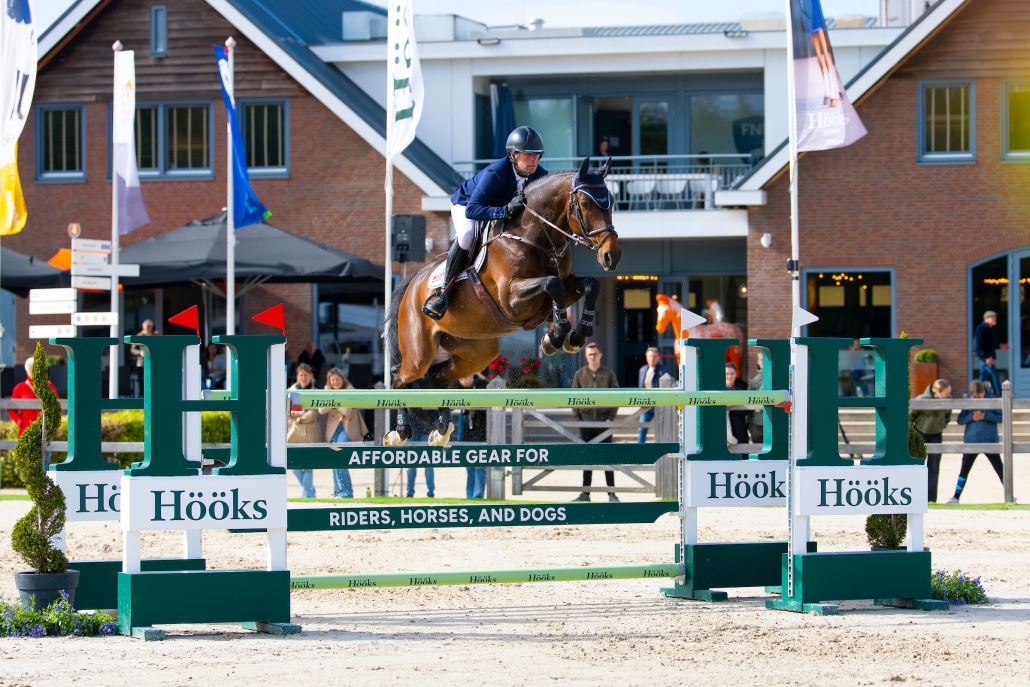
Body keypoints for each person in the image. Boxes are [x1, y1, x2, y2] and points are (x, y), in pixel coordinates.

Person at [423, 126, 548, 320]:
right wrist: (505, 211)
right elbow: (473, 209)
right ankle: (443, 293)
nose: (534, 160)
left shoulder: (540, 174)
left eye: (537, 155)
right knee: (467, 236)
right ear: (513, 155)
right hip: (467, 204)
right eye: (528, 155)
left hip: (499, 207)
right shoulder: (496, 172)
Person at [571, 343, 619, 502]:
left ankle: (611, 494)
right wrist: (577, 418)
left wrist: (611, 417)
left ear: (600, 355)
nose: (592, 357)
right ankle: (585, 493)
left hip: (604, 421)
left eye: (595, 354)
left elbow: (617, 396)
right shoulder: (579, 374)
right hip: (585, 421)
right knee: (587, 458)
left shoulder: (609, 374)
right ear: (586, 356)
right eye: (590, 354)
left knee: (607, 458)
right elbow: (573, 397)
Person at [949, 380, 1006, 503]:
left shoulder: (993, 402)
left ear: (984, 392)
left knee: (1000, 469)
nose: (977, 399)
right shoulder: (967, 404)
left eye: (979, 397)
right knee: (964, 469)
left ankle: (1009, 494)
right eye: (974, 397)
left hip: (989, 441)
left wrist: (986, 416)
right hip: (971, 442)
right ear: (970, 395)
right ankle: (956, 496)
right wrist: (971, 417)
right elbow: (960, 420)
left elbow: (1002, 418)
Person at [319, 368, 368, 499]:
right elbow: (321, 410)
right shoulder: (327, 390)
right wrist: (333, 398)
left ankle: (346, 492)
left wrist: (332, 400)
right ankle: (337, 492)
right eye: (332, 380)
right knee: (334, 459)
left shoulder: (349, 389)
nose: (335, 382)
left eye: (337, 379)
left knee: (340, 457)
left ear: (342, 379)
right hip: (333, 429)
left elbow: (346, 411)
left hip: (347, 429)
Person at [10, 357, 60, 470]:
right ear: (27, 370)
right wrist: (20, 421)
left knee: (45, 463)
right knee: (29, 464)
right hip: (27, 430)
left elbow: (57, 408)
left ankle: (43, 482)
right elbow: (11, 408)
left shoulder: (49, 386)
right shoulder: (20, 387)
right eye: (32, 369)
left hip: (46, 431)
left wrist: (53, 425)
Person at [909, 378, 952, 503]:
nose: (949, 395)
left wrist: (942, 425)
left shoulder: (948, 401)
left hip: (936, 434)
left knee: (934, 466)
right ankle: (916, 496)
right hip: (920, 432)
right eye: (946, 393)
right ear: (937, 392)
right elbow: (910, 416)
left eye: (949, 393)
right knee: (918, 465)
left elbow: (948, 416)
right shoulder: (921, 400)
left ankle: (931, 499)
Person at [287, 363, 320, 498]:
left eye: (306, 375)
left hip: (310, 431)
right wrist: (299, 412)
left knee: (308, 465)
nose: (304, 378)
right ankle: (309, 492)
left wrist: (300, 417)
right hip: (294, 431)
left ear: (310, 376)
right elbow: (287, 411)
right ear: (297, 376)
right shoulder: (290, 391)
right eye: (301, 375)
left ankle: (308, 494)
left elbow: (313, 413)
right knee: (293, 464)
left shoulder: (315, 391)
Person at [454, 373, 488, 498]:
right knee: (469, 467)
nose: (463, 381)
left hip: (480, 431)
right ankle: (469, 495)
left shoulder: (482, 386)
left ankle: (478, 495)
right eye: (461, 379)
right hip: (467, 432)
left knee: (480, 465)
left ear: (472, 376)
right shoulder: (458, 389)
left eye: (465, 378)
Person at [636, 347, 669, 443]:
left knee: (662, 429)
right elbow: (641, 387)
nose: (652, 358)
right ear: (646, 357)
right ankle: (639, 449)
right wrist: (639, 401)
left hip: (659, 405)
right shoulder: (643, 370)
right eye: (650, 356)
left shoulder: (663, 370)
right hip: (646, 404)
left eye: (654, 356)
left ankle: (662, 449)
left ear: (659, 357)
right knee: (642, 429)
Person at [974, 311, 1001, 397]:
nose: (994, 319)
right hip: (985, 357)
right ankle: (1000, 395)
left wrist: (999, 346)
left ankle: (976, 393)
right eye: (992, 318)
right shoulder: (982, 328)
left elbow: (990, 343)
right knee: (995, 375)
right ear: (986, 319)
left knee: (983, 376)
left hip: (987, 356)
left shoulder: (990, 328)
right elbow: (979, 344)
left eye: (995, 318)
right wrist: (987, 357)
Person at [128, 319, 155, 398]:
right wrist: (140, 352)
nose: (149, 328)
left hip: (153, 362)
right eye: (147, 326)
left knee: (152, 381)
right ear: (143, 327)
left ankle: (152, 397)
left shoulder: (155, 335)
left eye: (150, 326)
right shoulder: (139, 336)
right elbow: (133, 350)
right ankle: (142, 397)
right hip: (141, 362)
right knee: (142, 381)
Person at [726, 363, 750, 446]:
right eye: (727, 374)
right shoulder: (717, 389)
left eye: (732, 374)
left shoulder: (743, 387)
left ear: (736, 374)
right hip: (723, 426)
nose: (729, 376)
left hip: (739, 426)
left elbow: (747, 410)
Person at [747, 354, 765, 444]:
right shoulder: (755, 381)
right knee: (758, 448)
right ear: (758, 362)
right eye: (762, 360)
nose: (764, 362)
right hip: (757, 423)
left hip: (774, 421)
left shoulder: (777, 378)